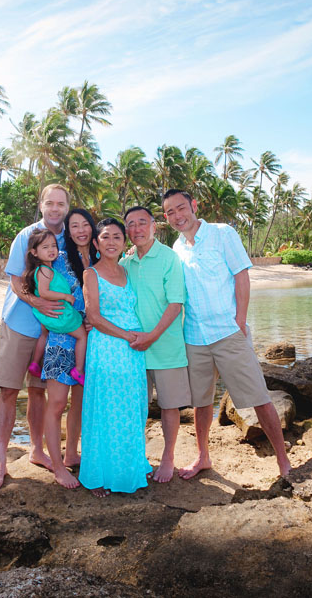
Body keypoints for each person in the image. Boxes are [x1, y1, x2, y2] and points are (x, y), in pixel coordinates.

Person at [162, 189, 293, 478]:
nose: (177, 216)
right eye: (170, 212)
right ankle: (203, 457)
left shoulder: (222, 233)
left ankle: (283, 462)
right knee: (201, 402)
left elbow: (241, 275)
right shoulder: (176, 248)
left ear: (194, 205)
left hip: (228, 332)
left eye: (181, 208)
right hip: (194, 337)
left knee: (259, 397)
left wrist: (240, 320)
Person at [0, 184, 70, 490]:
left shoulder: (70, 237)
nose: (55, 208)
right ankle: (0, 462)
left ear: (67, 207)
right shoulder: (27, 235)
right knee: (9, 391)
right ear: (41, 204)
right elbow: (15, 279)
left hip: (52, 331)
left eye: (61, 204)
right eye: (50, 203)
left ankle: (36, 450)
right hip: (20, 324)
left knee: (37, 391)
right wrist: (37, 302)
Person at [79, 218, 152, 497]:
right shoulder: (91, 274)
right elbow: (94, 317)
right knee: (105, 409)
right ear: (96, 243)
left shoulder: (127, 270)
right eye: (105, 237)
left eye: (117, 237)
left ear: (124, 243)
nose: (111, 242)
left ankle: (131, 466)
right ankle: (98, 475)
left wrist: (136, 338)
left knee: (132, 408)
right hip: (108, 348)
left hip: (133, 352)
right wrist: (127, 336)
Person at [121, 206, 189, 483]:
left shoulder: (169, 258)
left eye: (142, 222)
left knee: (169, 406)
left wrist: (152, 335)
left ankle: (168, 458)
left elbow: (175, 303)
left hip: (166, 347)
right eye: (131, 224)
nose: (136, 229)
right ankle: (138, 457)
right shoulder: (124, 263)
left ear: (154, 226)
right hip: (133, 350)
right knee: (135, 406)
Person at [40, 208, 98, 489]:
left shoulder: (102, 256)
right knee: (57, 403)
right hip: (62, 339)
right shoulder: (58, 258)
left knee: (81, 402)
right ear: (68, 231)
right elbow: (34, 284)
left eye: (85, 224)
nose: (80, 230)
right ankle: (58, 467)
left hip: (93, 341)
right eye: (74, 226)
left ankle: (72, 453)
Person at [22, 229, 87, 385]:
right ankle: (78, 370)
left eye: (53, 246)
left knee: (44, 334)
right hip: (58, 314)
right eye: (45, 247)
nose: (51, 250)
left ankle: (35, 363)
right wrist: (65, 296)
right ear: (34, 252)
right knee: (82, 336)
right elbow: (44, 292)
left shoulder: (44, 269)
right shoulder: (44, 270)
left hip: (47, 315)